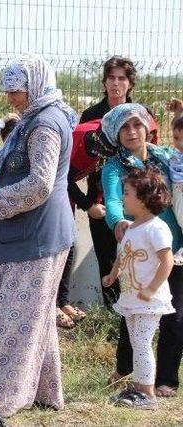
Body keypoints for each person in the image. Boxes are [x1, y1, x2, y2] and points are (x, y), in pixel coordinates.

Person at [0, 53, 77, 418]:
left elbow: (40, 184)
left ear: (35, 86)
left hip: (36, 236)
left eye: (17, 91)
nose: (10, 98)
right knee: (34, 315)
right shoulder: (38, 116)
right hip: (30, 233)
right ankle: (44, 392)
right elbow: (31, 161)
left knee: (13, 316)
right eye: (8, 91)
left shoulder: (44, 124)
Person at [101, 103, 183, 398]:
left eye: (137, 124)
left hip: (175, 247)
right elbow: (112, 200)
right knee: (134, 314)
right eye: (125, 127)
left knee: (175, 318)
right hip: (141, 254)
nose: (132, 131)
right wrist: (119, 220)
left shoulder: (166, 157)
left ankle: (166, 380)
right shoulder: (113, 166)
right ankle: (125, 369)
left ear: (147, 126)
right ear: (116, 133)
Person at [68, 56, 139, 309]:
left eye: (122, 78)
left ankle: (135, 314)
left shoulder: (140, 115)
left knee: (136, 259)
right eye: (111, 78)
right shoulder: (90, 115)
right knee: (107, 259)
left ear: (130, 83)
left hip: (136, 202)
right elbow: (71, 165)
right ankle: (113, 316)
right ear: (104, 81)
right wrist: (88, 205)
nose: (116, 83)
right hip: (100, 202)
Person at [102, 167, 175, 410]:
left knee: (143, 343)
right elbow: (123, 257)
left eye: (126, 193)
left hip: (148, 300)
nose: (122, 198)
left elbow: (167, 261)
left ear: (143, 199)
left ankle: (147, 394)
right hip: (132, 298)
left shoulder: (157, 228)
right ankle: (139, 387)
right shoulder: (131, 228)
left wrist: (152, 289)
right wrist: (113, 274)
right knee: (137, 343)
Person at [167, 98, 183, 264]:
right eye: (176, 138)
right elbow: (176, 124)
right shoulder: (175, 153)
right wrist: (179, 112)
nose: (179, 143)